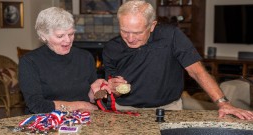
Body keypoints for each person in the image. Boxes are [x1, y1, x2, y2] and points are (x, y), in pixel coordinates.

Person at [101, 0, 253, 120]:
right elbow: (112, 90)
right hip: (126, 110)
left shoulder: (171, 36)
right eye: (124, 31)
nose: (130, 38)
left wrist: (224, 103)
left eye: (137, 32)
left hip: (168, 109)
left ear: (152, 26)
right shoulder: (111, 48)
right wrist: (115, 89)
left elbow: (197, 71)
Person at [19, 7, 108, 114]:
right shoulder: (30, 61)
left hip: (81, 119)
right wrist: (81, 105)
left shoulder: (85, 57)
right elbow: (37, 105)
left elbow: (90, 98)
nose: (68, 40)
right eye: (60, 36)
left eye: (71, 34)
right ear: (43, 36)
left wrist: (98, 90)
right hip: (46, 121)